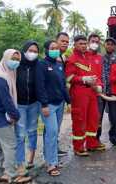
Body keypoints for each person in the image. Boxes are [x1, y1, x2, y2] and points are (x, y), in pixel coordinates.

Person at [0, 49, 32, 183]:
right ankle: (12, 175)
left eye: (18, 60)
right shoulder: (1, 77)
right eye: (13, 59)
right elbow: (6, 100)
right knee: (10, 145)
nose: (15, 62)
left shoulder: (7, 73)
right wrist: (15, 115)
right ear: (5, 58)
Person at [36, 40, 70, 176]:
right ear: (46, 50)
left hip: (60, 103)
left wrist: (69, 101)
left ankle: (50, 158)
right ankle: (51, 164)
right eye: (52, 48)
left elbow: (63, 85)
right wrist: (44, 104)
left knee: (53, 133)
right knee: (52, 132)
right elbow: (40, 86)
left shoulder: (59, 64)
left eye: (56, 48)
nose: (55, 50)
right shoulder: (41, 64)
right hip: (48, 105)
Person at [65, 35, 103, 156]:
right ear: (75, 45)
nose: (83, 46)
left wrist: (98, 85)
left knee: (93, 118)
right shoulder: (72, 59)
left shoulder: (88, 57)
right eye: (80, 43)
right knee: (79, 120)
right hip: (79, 92)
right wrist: (83, 79)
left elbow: (95, 74)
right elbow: (69, 78)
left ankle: (92, 144)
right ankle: (79, 147)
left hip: (91, 92)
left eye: (84, 43)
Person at [15, 41, 40, 174]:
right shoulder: (17, 64)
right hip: (19, 104)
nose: (33, 53)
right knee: (19, 134)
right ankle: (20, 163)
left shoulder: (38, 65)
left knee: (32, 130)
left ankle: (31, 158)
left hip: (34, 104)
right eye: (30, 50)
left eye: (35, 51)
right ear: (24, 51)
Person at [100, 37, 116, 146]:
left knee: (114, 118)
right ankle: (96, 138)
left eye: (111, 44)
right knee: (98, 117)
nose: (109, 46)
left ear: (114, 46)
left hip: (113, 92)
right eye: (107, 44)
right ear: (105, 45)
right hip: (101, 92)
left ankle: (112, 136)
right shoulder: (100, 58)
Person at [87, 33, 106, 151]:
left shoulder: (100, 58)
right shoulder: (83, 56)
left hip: (98, 93)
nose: (94, 43)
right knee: (86, 118)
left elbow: (102, 75)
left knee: (98, 117)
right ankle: (86, 142)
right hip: (86, 93)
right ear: (88, 42)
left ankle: (96, 140)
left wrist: (101, 87)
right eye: (92, 41)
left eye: (97, 42)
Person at [56, 32, 70, 156]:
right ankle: (49, 152)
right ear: (56, 41)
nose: (65, 43)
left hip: (60, 99)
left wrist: (68, 100)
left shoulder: (63, 58)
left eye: (67, 41)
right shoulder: (51, 57)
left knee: (57, 126)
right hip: (50, 101)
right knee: (51, 128)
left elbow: (63, 80)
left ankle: (55, 148)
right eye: (62, 41)